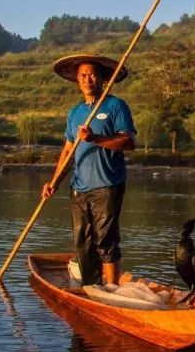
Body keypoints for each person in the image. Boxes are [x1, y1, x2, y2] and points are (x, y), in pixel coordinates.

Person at [42, 54, 137, 286]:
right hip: (79, 187)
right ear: (77, 80)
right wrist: (53, 182)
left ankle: (112, 290)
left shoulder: (115, 106)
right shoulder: (74, 113)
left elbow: (128, 142)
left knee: (105, 239)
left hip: (107, 185)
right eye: (83, 75)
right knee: (82, 242)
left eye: (92, 74)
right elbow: (68, 152)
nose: (88, 79)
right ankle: (91, 287)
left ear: (103, 78)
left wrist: (95, 138)